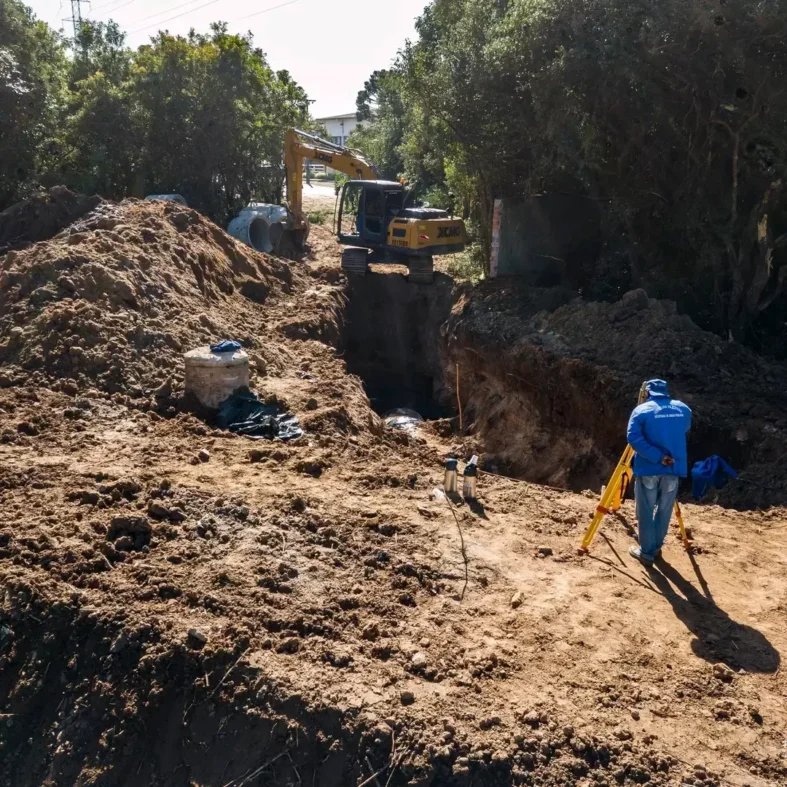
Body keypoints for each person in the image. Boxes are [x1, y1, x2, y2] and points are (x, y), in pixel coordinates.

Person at [626, 379, 692, 567]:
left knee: (646, 510)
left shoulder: (641, 411)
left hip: (649, 468)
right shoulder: (683, 409)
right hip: (673, 468)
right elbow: (684, 428)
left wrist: (657, 455)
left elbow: (633, 438)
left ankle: (646, 553)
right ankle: (655, 547)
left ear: (647, 393)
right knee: (664, 510)